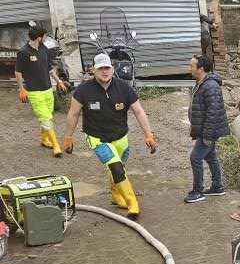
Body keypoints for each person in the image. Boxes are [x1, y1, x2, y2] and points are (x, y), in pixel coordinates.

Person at [63, 53, 156, 219]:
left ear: (113, 69)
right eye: (100, 68)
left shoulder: (124, 88)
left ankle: (115, 195)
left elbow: (139, 111)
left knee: (119, 168)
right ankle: (132, 203)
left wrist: (148, 134)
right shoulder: (83, 91)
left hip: (121, 137)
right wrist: (68, 137)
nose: (104, 72)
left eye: (107, 68)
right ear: (93, 70)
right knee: (116, 167)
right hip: (97, 138)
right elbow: (73, 114)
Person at [15, 25, 68, 156]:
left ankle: (44, 140)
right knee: (45, 118)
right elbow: (18, 72)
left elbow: (49, 68)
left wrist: (59, 81)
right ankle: (56, 146)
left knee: (49, 115)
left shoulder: (43, 49)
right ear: (39, 37)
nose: (45, 38)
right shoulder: (24, 52)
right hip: (34, 92)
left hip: (47, 89)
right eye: (44, 36)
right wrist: (21, 89)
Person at [185, 54, 229, 203]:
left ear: (201, 69)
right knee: (210, 156)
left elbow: (213, 112)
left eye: (192, 66)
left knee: (195, 158)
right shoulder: (202, 82)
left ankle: (198, 191)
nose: (189, 68)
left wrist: (207, 135)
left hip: (209, 131)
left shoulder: (210, 86)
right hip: (205, 129)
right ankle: (217, 186)